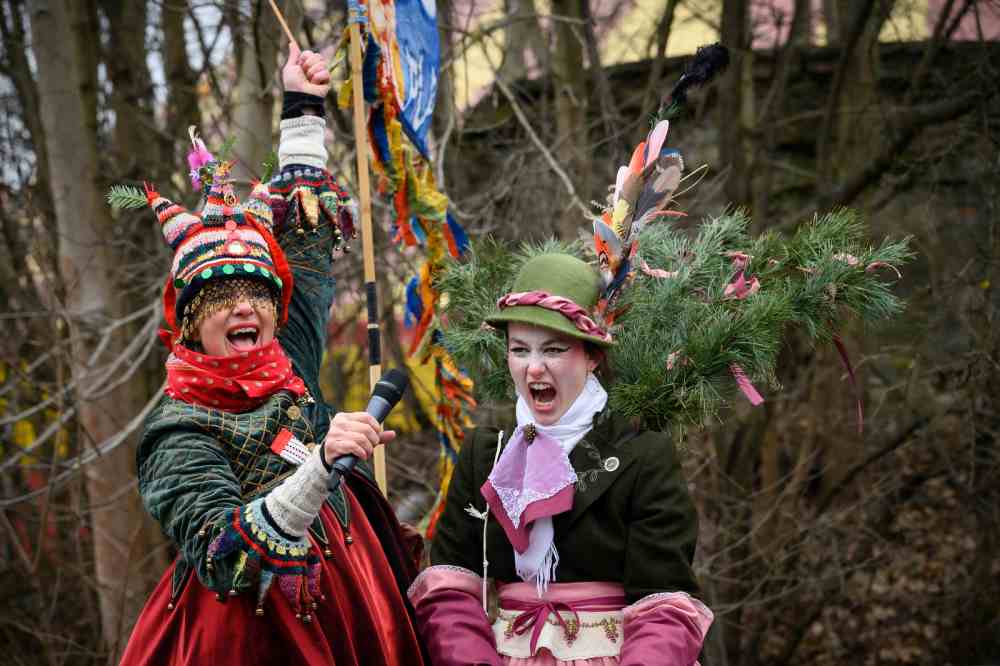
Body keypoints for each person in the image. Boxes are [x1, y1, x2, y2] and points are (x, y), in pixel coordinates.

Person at [119, 43, 427, 665]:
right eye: (221, 300)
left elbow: (308, 245)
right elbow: (224, 555)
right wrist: (319, 469)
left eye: (257, 295)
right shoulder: (176, 429)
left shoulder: (288, 360)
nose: (244, 309)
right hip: (253, 634)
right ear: (189, 325)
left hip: (358, 599)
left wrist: (303, 105)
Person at [407, 252, 713, 665]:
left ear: (592, 357)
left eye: (552, 349)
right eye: (519, 350)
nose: (533, 369)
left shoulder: (642, 455)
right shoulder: (486, 454)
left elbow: (665, 608)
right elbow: (448, 593)